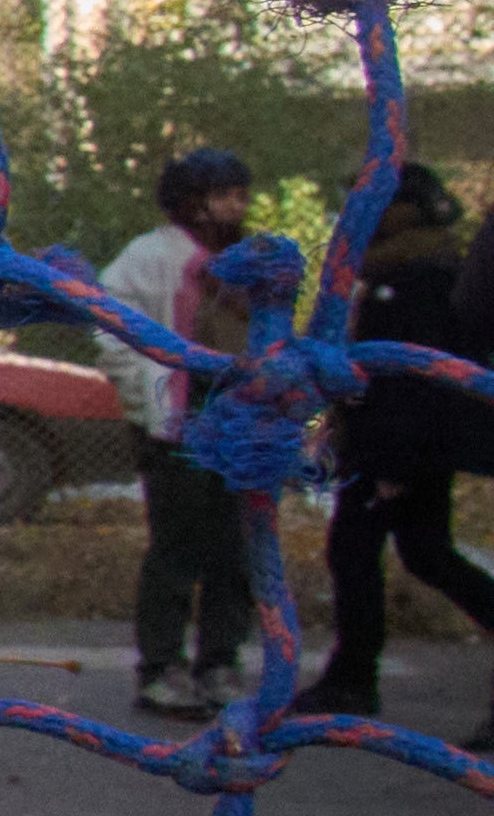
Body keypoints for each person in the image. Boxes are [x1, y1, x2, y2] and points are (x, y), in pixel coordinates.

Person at [304, 163, 494, 727]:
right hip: (402, 442)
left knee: (356, 552)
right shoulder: (412, 270)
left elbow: (413, 377)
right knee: (425, 552)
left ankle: (351, 680)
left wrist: (394, 463)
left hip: (398, 446)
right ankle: (350, 677)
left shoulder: (416, 279)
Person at [104, 141, 270, 718]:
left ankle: (219, 662)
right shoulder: (151, 256)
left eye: (241, 193)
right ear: (192, 201)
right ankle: (159, 669)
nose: (237, 204)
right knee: (176, 546)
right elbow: (110, 322)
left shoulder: (251, 258)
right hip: (175, 418)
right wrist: (144, 393)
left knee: (232, 548)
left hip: (238, 417)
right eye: (225, 194)